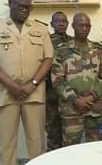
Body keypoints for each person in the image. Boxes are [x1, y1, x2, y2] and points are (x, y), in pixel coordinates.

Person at [0, 0, 53, 165]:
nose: (25, 10)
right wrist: (13, 86)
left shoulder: (40, 28)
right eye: (21, 6)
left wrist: (32, 83)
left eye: (29, 7)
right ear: (11, 3)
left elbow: (48, 58)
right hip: (5, 93)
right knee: (6, 144)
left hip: (34, 93)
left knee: (37, 143)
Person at [51, 12, 102, 146]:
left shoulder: (99, 49)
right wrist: (75, 99)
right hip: (71, 109)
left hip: (94, 109)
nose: (84, 28)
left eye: (87, 26)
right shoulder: (62, 50)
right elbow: (57, 78)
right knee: (69, 149)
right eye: (80, 25)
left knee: (96, 148)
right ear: (73, 26)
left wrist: (91, 97)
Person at [46, 11, 73, 151]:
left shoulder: (73, 41)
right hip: (51, 94)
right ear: (52, 24)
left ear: (68, 24)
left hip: (69, 94)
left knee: (69, 134)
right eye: (57, 21)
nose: (61, 23)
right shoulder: (46, 41)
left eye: (64, 20)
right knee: (53, 131)